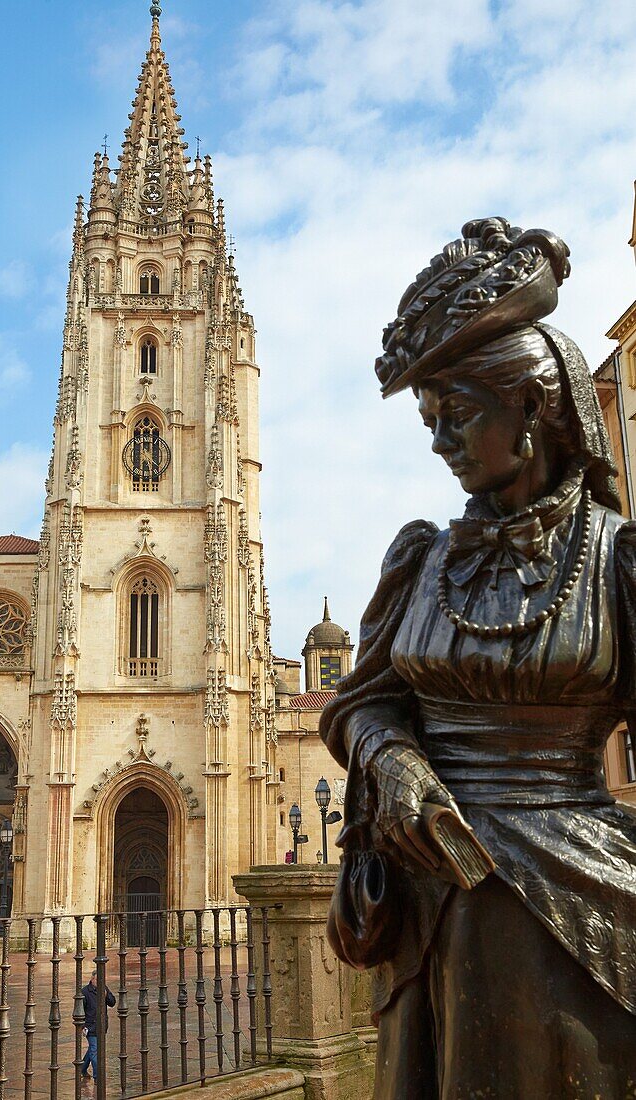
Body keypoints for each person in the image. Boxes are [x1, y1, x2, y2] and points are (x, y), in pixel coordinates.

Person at [321, 218, 636, 1097]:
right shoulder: (421, 558)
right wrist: (391, 761)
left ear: (534, 407)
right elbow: (361, 702)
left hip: (574, 898)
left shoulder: (615, 560)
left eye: (454, 415)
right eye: (429, 419)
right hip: (430, 908)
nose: (437, 441)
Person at [81, 969, 116, 1082]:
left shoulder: (104, 989)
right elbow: (80, 1011)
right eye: (97, 979)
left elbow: (112, 1002)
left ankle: (82, 1068)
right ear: (92, 979)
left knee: (93, 1049)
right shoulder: (85, 992)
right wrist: (82, 1026)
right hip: (90, 1027)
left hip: (102, 1026)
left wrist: (106, 996)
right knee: (95, 1050)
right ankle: (98, 1077)